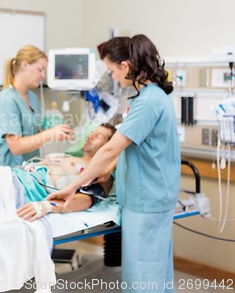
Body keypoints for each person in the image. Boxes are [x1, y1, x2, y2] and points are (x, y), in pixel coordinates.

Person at [48, 34, 180, 293]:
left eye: (112, 70)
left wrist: (72, 186)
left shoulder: (148, 101)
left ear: (126, 66)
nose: (113, 77)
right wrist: (108, 168)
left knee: (143, 276)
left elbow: (110, 149)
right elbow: (130, 149)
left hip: (146, 201)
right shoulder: (156, 97)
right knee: (156, 271)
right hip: (156, 195)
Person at [0, 44, 73, 168]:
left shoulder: (31, 97)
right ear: (25, 65)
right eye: (40, 70)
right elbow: (16, 147)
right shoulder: (7, 100)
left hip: (26, 169)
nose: (43, 76)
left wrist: (56, 131)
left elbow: (34, 133)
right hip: (3, 172)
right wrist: (49, 134)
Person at [15, 123, 117, 221]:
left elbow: (87, 199)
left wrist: (47, 206)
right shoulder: (69, 155)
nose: (90, 137)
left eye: (98, 136)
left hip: (24, 188)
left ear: (109, 146)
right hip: (15, 174)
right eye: (91, 133)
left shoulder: (100, 172)